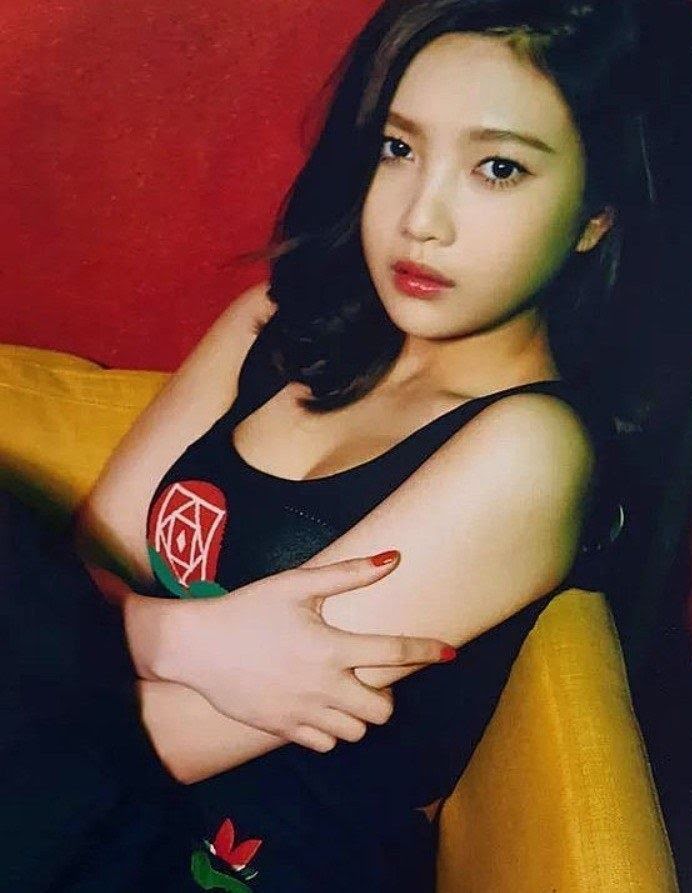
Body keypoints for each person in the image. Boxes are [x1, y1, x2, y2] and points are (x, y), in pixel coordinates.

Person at [7, 0, 654, 889]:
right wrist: (174, 639)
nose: (421, 218)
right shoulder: (273, 329)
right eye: (399, 147)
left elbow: (156, 734)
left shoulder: (532, 451)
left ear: (596, 215)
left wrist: (97, 639)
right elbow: (70, 578)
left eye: (497, 167)